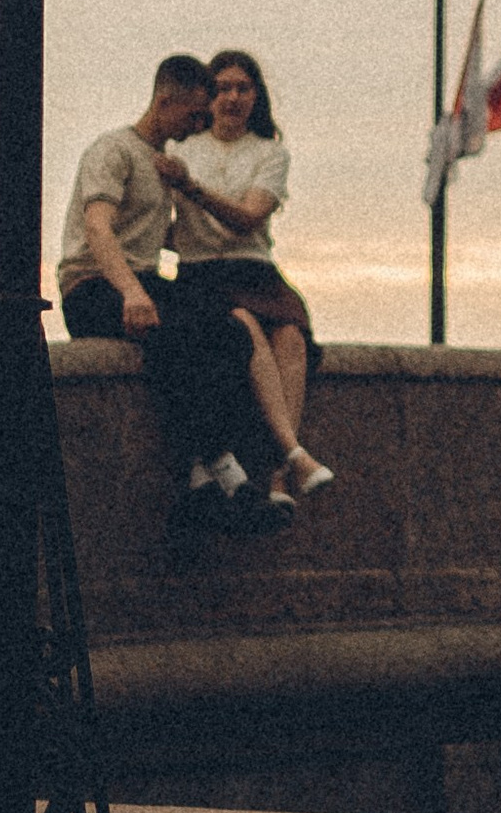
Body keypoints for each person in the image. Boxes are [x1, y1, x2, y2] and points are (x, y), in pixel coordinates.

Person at [55, 55, 261, 522]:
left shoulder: (165, 165)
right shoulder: (113, 151)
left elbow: (162, 235)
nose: (198, 125)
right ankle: (223, 466)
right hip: (93, 286)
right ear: (164, 100)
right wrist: (131, 292)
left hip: (143, 281)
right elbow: (98, 229)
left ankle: (197, 473)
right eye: (192, 114)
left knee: (230, 334)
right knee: (174, 340)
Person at [159, 48, 334, 519]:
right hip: (203, 275)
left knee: (292, 339)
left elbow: (249, 217)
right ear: (206, 97)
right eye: (222, 88)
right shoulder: (180, 150)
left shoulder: (270, 153)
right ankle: (295, 457)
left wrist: (193, 190)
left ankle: (279, 474)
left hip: (255, 270)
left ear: (257, 96)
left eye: (243, 88)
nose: (232, 97)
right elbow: (158, 224)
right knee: (245, 330)